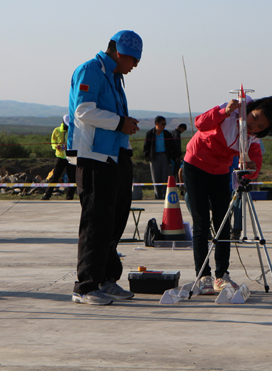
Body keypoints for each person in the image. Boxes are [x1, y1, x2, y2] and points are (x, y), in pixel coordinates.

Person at [183, 94, 272, 294]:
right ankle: (203, 276)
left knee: (223, 222)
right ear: (250, 110)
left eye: (259, 126)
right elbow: (200, 123)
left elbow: (255, 162)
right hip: (196, 164)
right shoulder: (231, 112)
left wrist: (251, 170)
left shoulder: (252, 138)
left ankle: (221, 275)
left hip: (220, 171)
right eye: (254, 118)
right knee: (201, 221)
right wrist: (223, 112)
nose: (253, 125)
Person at [67, 30, 142, 306]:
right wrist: (120, 122)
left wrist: (124, 127)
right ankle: (85, 286)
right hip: (94, 158)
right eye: (133, 60)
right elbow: (83, 111)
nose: (135, 66)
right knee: (96, 223)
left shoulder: (115, 76)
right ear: (120, 53)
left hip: (116, 156)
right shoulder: (91, 70)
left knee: (115, 221)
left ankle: (106, 279)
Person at [42, 115, 76, 200]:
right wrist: (55, 146)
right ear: (63, 122)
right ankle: (47, 195)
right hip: (60, 157)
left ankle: (69, 196)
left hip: (71, 157)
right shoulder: (56, 130)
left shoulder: (73, 131)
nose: (67, 127)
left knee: (72, 177)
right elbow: (53, 142)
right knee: (55, 176)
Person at [143, 116, 177, 199]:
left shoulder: (167, 134)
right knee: (156, 177)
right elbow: (146, 147)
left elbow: (173, 146)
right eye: (163, 124)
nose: (164, 126)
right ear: (157, 123)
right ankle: (157, 196)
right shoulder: (150, 134)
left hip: (165, 156)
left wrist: (173, 157)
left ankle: (165, 195)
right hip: (154, 157)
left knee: (165, 177)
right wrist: (148, 157)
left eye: (165, 124)